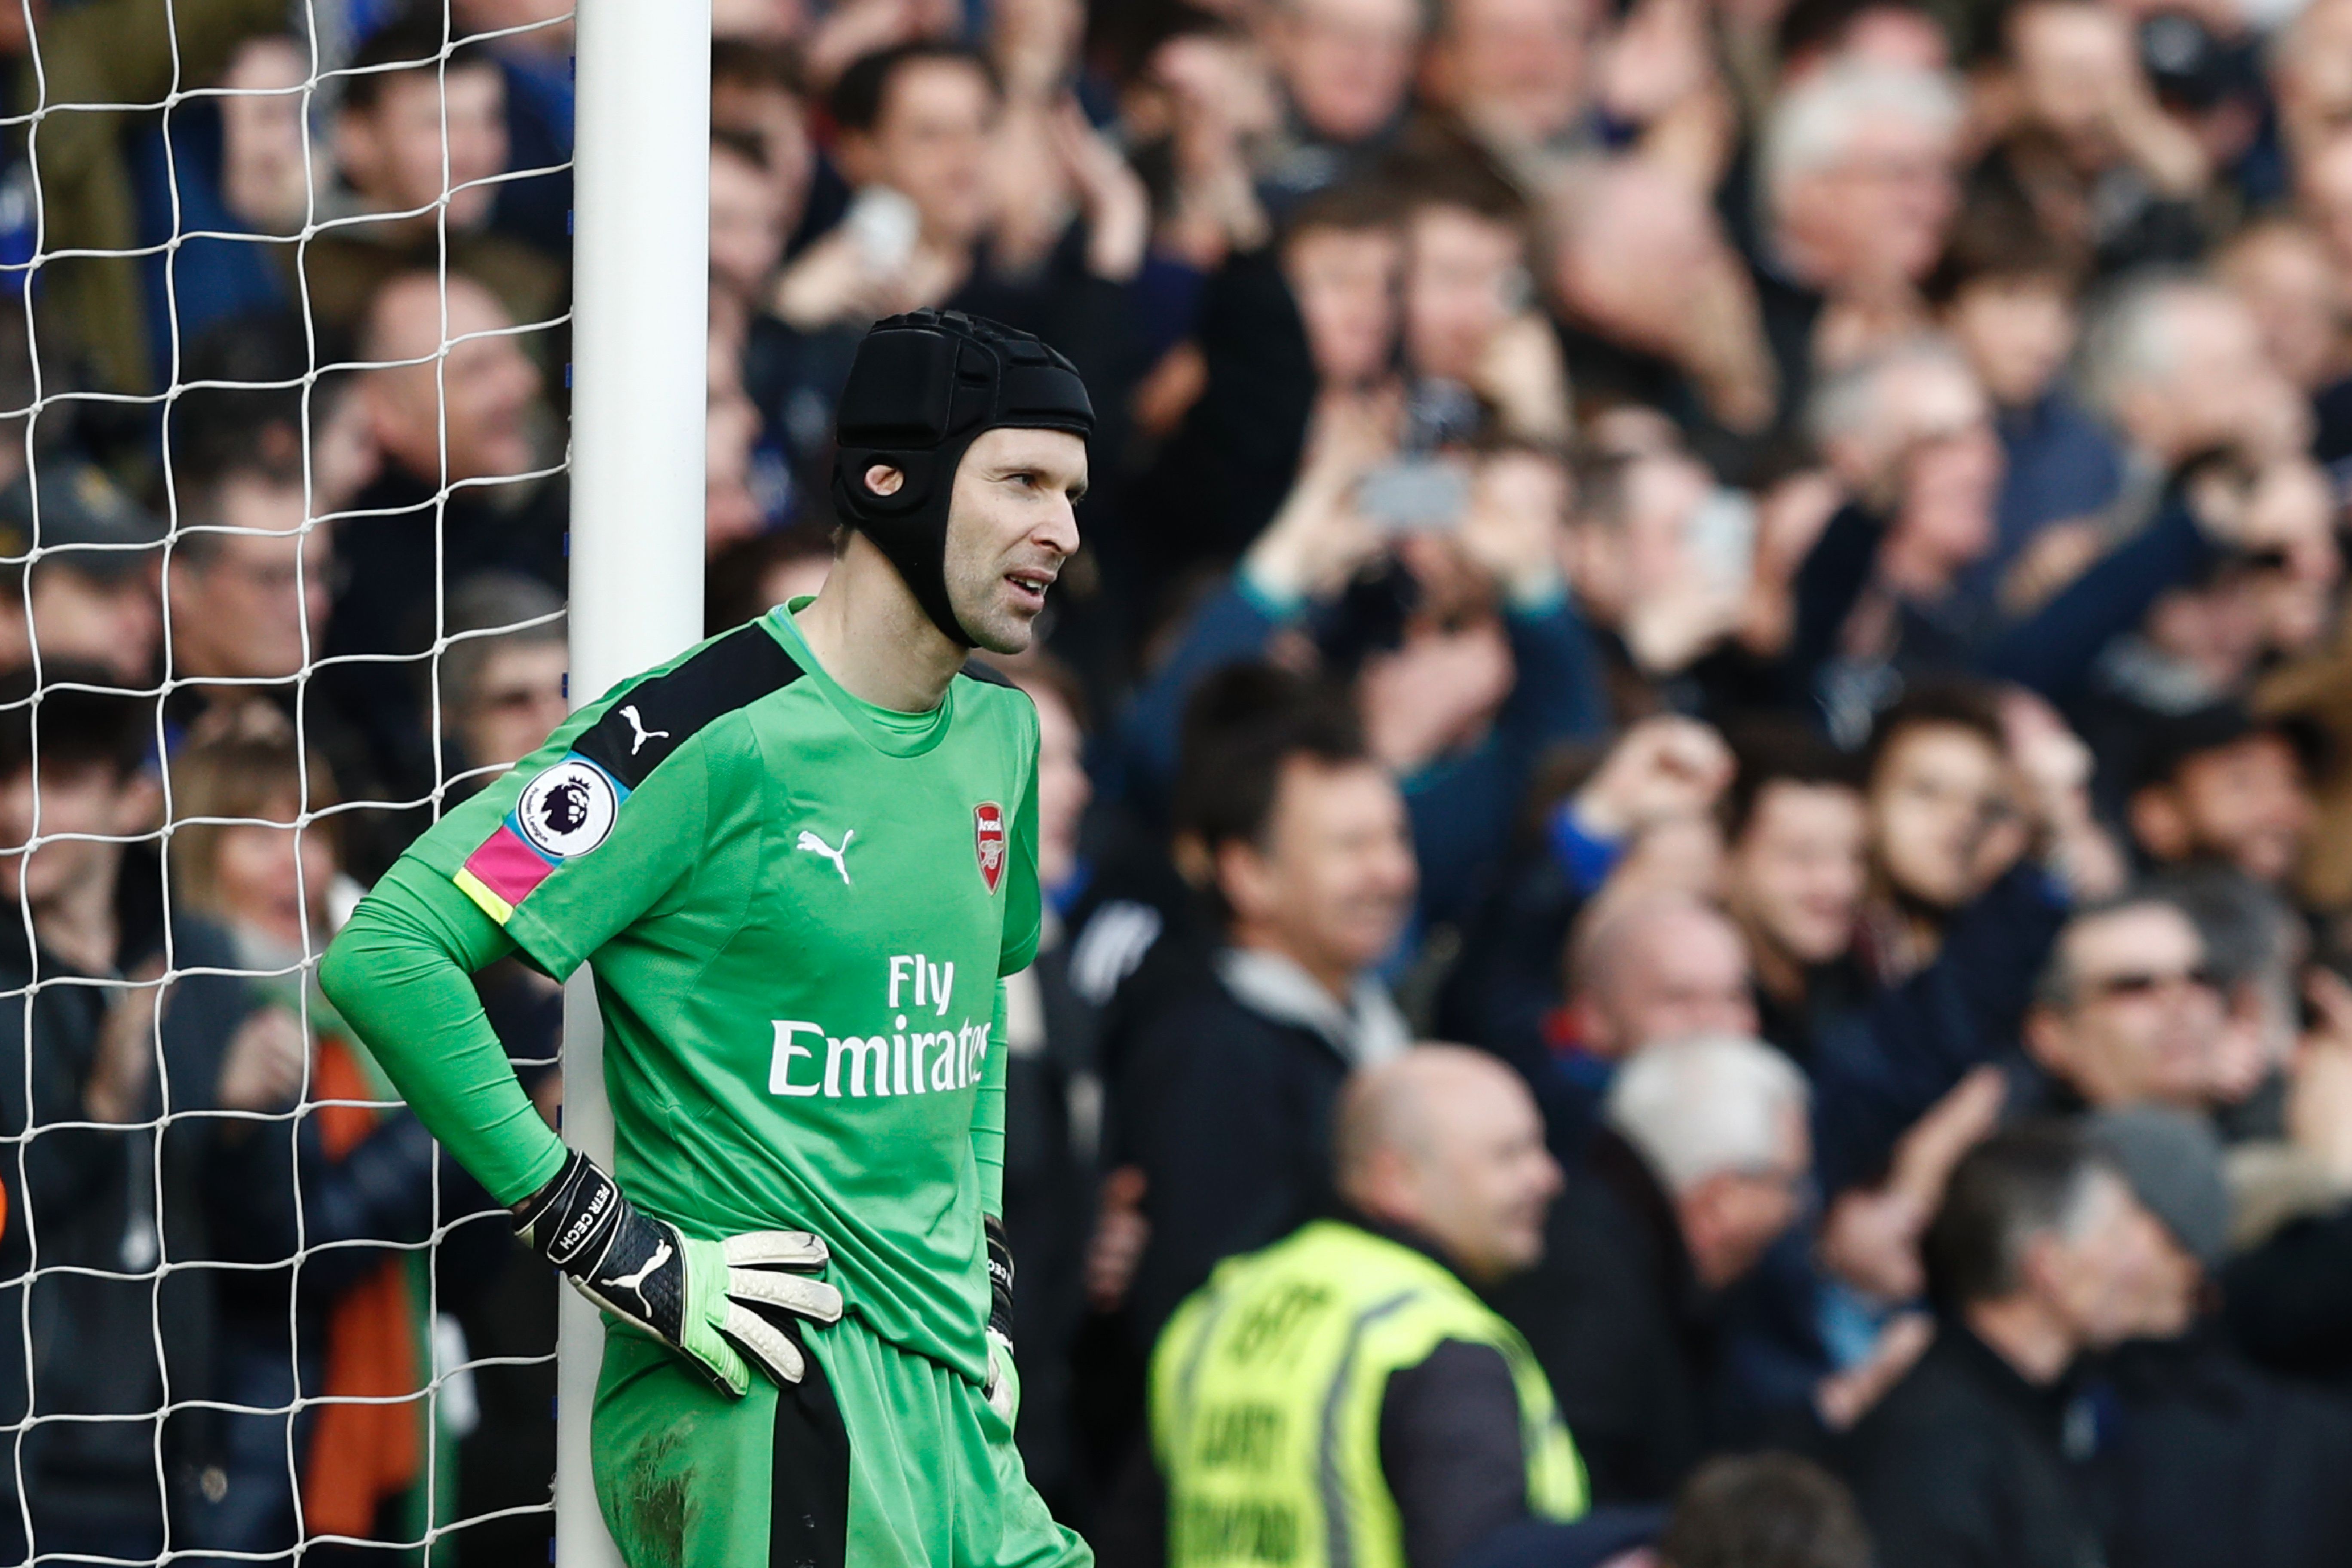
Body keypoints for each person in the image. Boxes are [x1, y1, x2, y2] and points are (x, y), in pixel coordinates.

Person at [319, 309, 1096, 1568]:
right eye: (1022, 480)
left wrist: (987, 1291)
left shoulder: (1001, 734)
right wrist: (603, 1238)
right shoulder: (697, 735)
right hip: (774, 1399)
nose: (1060, 529)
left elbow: (967, 1027)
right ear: (888, 478)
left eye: (1071, 492)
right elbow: (391, 950)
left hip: (952, 1397)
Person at [1150, 1047, 1587, 1568]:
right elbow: (1478, 1555)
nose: (1547, 1177)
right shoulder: (1433, 1340)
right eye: (1509, 1155)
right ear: (1394, 1179)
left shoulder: (1221, 1308)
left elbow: (1133, 1536)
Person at [1111, 670, 1418, 1342]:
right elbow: (1208, 1306)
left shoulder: (1372, 1021)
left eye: (1396, 838)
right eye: (1352, 847)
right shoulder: (1210, 1055)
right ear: (1248, 873)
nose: (1392, 872)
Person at [1496, 1034, 1812, 1506]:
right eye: (1787, 1184)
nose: (1796, 1209)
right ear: (1717, 1201)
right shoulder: (1588, 1285)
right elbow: (1574, 1492)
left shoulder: (1650, 1264)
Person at [1841, 1123, 2166, 1568]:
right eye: (2117, 1237)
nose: (2140, 1261)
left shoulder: (2057, 1410)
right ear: (2048, 1266)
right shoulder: (1933, 1448)